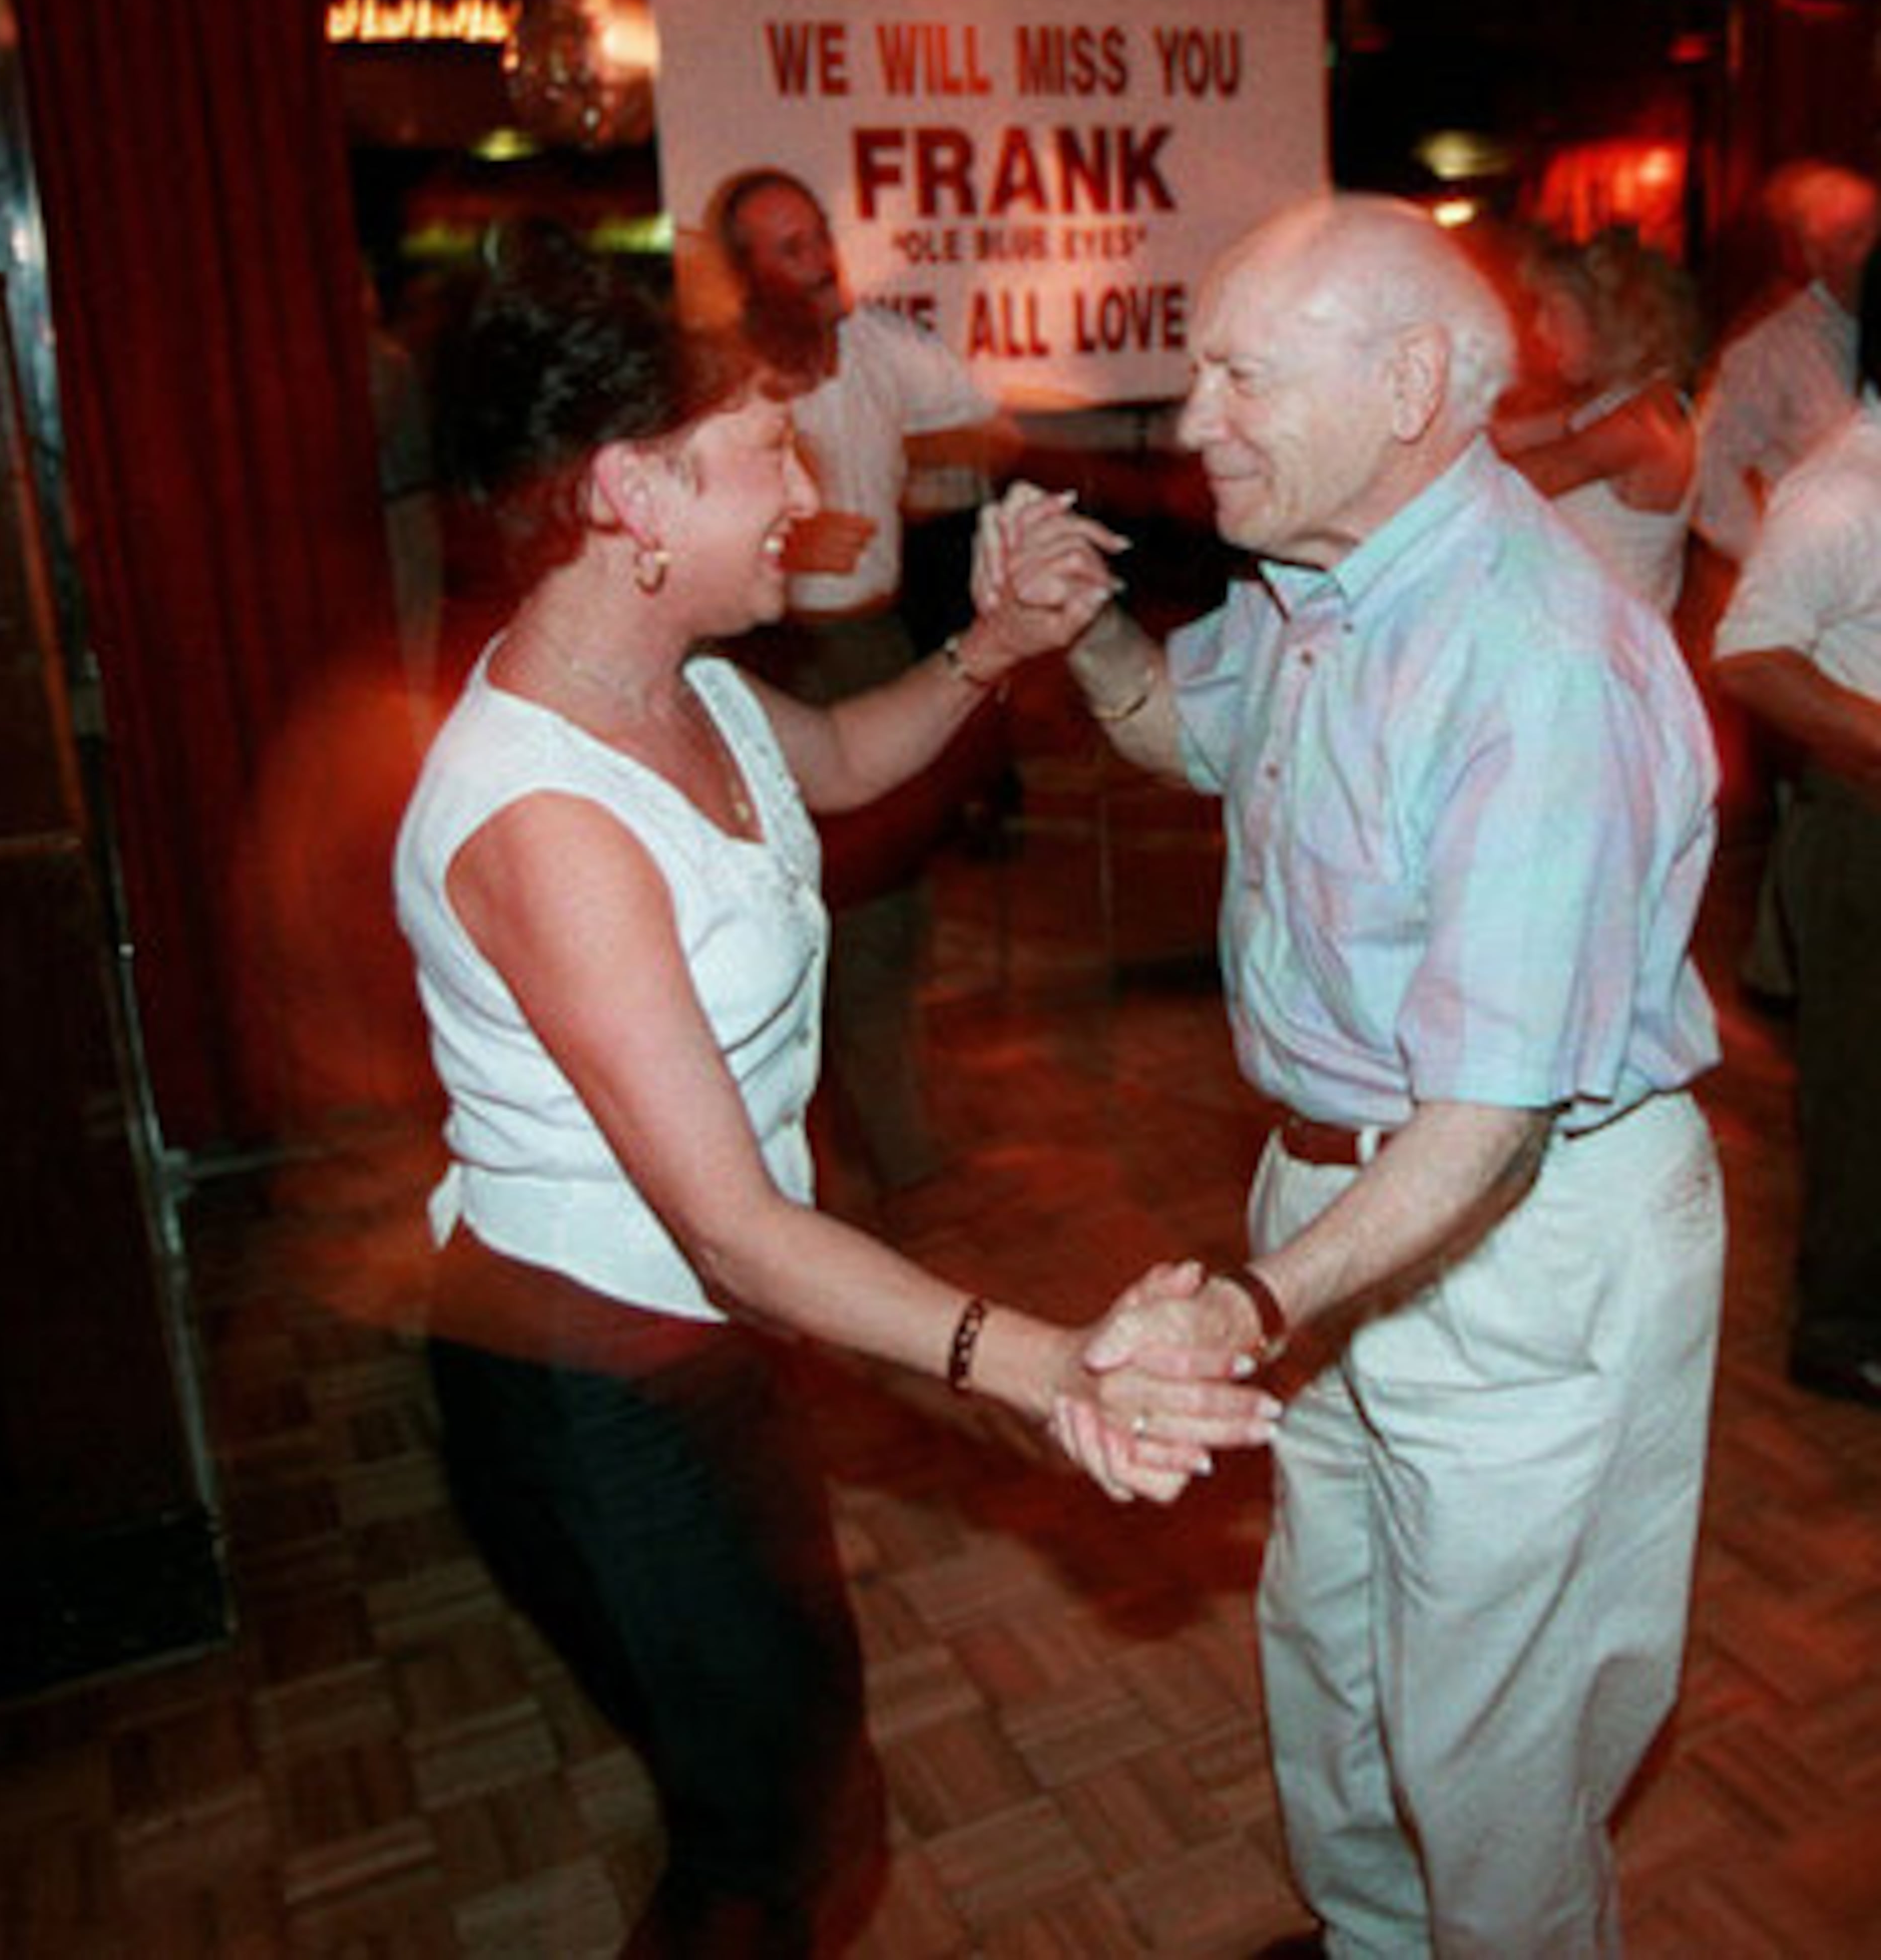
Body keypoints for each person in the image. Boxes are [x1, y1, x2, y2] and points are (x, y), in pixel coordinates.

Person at [393, 252, 1277, 1957]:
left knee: (793, 1781)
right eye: (765, 457)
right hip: (588, 1374)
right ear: (626, 488)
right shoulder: (544, 817)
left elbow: (855, 762)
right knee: (778, 1833)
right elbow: (730, 1224)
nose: (808, 499)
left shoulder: (683, 680)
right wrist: (1043, 1364)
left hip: (700, 1341)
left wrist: (998, 643)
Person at [980, 194, 1727, 1956]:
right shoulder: (1322, 582)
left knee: (1494, 1737)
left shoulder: (1529, 657)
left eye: (1241, 375)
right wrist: (1088, 636)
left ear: (1406, 386)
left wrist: (1251, 1304)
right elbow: (1190, 734)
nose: (1194, 425)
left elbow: (1490, 1117)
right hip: (1343, 1192)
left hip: (1517, 1220)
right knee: (1338, 1651)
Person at [709, 167, 1017, 1195]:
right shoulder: (719, 380)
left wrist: (928, 483)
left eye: (819, 239)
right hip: (773, 665)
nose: (817, 263)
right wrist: (789, 550)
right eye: (788, 250)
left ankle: (878, 1148)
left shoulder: (881, 346)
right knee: (798, 918)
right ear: (746, 273)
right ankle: (856, 1160)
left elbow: (989, 426)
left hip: (875, 648)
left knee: (889, 908)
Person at [1713, 242, 1881, 1411]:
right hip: (1861, 822)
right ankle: (1839, 1329)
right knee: (1860, 1089)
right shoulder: (1843, 489)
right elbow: (1751, 653)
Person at [1492, 228, 1700, 613]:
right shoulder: (1611, 405)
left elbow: (1504, 485)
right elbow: (1502, 437)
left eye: (1554, 310)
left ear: (1611, 318)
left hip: (1611, 666)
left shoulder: (1642, 425)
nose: (1539, 328)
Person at [1692, 160, 1878, 563]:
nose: (1874, 250)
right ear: (1814, 254)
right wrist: (1779, 565)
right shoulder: (1771, 352)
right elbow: (1708, 472)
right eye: (1856, 238)